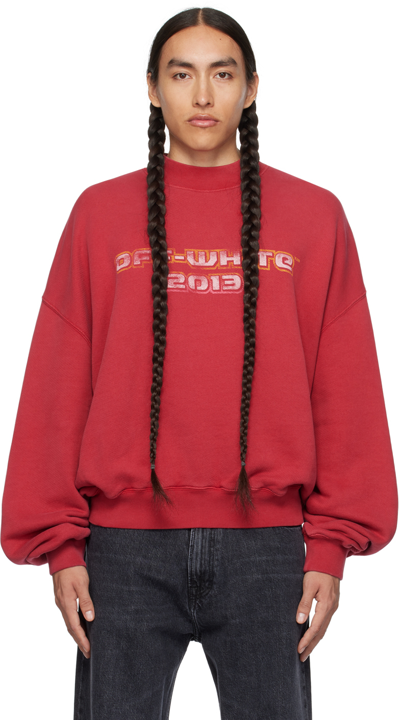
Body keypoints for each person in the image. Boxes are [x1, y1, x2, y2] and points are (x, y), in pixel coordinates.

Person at [1, 7, 398, 720]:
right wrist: (60, 546)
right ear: (153, 89)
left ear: (252, 88)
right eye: (182, 75)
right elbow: (59, 383)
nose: (204, 95)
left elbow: (345, 389)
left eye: (224, 74)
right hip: (121, 552)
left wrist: (331, 547)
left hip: (269, 552)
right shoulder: (99, 214)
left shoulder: (314, 216)